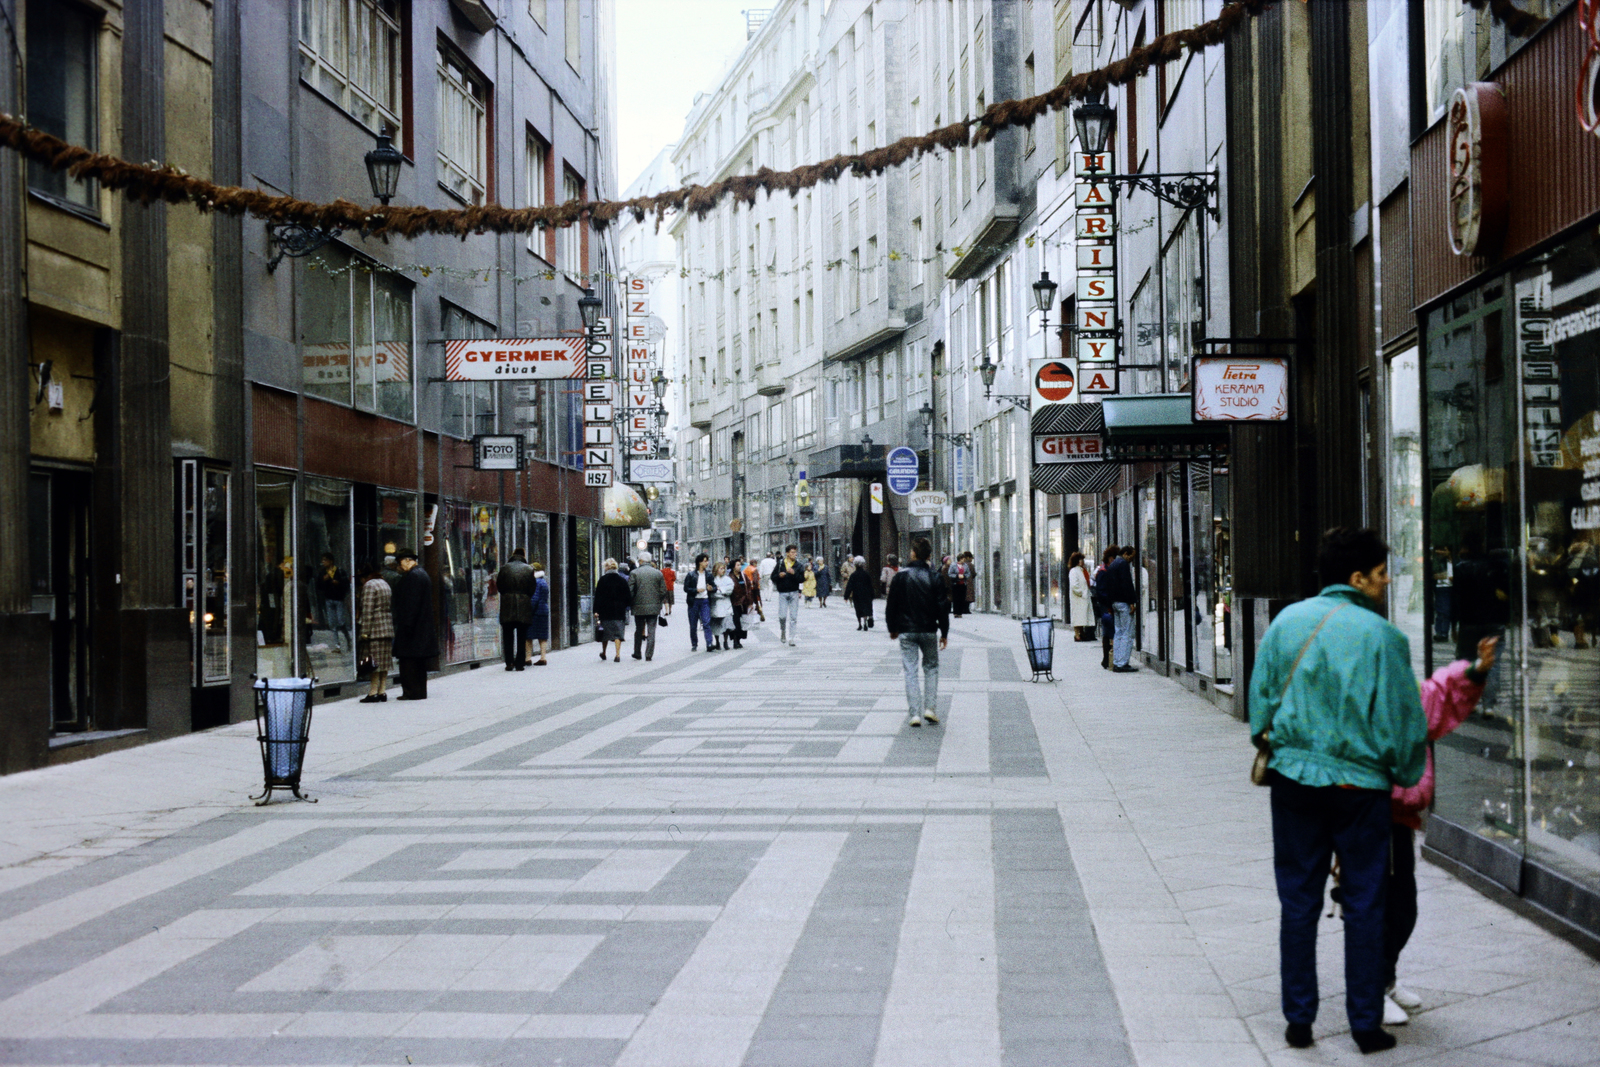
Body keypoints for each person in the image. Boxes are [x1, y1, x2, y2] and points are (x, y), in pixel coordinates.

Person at [1249, 527, 1428, 1055]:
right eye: (1379, 573)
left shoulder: (1287, 623)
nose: (1385, 581)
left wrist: (1280, 745)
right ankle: (1365, 1026)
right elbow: (1403, 725)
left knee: (1298, 899)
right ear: (1357, 578)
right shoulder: (1383, 637)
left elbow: (1260, 704)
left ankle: (1299, 1020)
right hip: (1360, 787)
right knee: (1366, 901)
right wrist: (1403, 772)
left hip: (1294, 783)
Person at [1384, 633, 1497, 1024]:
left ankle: (1383, 980)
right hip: (1369, 812)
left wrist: (1476, 669)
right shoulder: (1362, 696)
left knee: (1402, 905)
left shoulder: (1405, 692)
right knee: (1380, 905)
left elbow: (1438, 695)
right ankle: (1371, 986)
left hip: (1398, 816)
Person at [887, 537, 950, 728]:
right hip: (929, 629)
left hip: (906, 631)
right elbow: (942, 607)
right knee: (931, 667)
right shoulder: (935, 577)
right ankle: (930, 708)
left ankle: (914, 713)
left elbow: (892, 605)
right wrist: (944, 632)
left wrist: (893, 628)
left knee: (910, 670)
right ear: (929, 555)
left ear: (913, 554)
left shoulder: (901, 576)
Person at [390, 548, 438, 700]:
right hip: (420, 627)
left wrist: (406, 625)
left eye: (400, 563)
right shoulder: (421, 574)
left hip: (413, 628)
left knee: (409, 663)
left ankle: (411, 692)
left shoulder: (413, 576)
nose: (399, 567)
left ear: (407, 560)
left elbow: (411, 604)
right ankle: (419, 691)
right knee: (418, 664)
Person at [356, 560, 392, 702]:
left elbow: (368, 610)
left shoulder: (369, 586)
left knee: (373, 663)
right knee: (384, 663)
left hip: (374, 629)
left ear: (364, 577)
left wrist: (364, 631)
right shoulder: (384, 583)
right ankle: (382, 691)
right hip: (386, 628)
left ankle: (372, 692)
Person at [495, 548, 536, 671]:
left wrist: (508, 595)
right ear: (523, 555)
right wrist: (524, 596)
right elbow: (532, 589)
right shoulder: (529, 569)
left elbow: (499, 586)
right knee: (522, 635)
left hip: (507, 605)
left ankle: (509, 662)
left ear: (513, 555)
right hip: (523, 605)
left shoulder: (504, 568)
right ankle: (519, 663)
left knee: (507, 635)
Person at [629, 550, 670, 660]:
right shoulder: (658, 573)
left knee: (639, 630)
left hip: (638, 607)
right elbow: (663, 591)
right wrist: (658, 601)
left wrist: (632, 602)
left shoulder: (634, 573)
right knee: (651, 631)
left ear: (641, 561)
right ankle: (649, 654)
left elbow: (630, 591)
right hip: (654, 607)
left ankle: (637, 652)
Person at [1103, 545, 1138, 672]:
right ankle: (1123, 663)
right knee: (1127, 633)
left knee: (1118, 632)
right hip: (1123, 603)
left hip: (1114, 603)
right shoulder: (1123, 564)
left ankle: (1117, 662)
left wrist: (1110, 604)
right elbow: (1126, 584)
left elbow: (1108, 586)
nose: (1131, 560)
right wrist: (1132, 602)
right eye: (1131, 557)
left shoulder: (1113, 565)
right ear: (1126, 554)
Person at [594, 558, 631, 663]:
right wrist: (625, 606)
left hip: (605, 610)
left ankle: (604, 652)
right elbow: (628, 596)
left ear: (607, 567)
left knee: (604, 632)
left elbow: (598, 596)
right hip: (618, 611)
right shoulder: (622, 580)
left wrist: (596, 610)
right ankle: (617, 654)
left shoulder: (602, 580)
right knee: (618, 633)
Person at [771, 544, 805, 646]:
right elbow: (773, 577)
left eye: (795, 552)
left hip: (794, 592)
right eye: (792, 552)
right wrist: (779, 576)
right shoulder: (781, 563)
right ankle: (783, 631)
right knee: (782, 616)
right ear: (787, 553)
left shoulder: (798, 565)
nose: (794, 554)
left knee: (793, 617)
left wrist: (794, 573)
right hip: (783, 593)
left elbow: (802, 579)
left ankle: (791, 638)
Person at [316, 552, 350, 651]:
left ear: (331, 561)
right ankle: (337, 645)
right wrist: (323, 580)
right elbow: (318, 586)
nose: (323, 562)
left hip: (338, 599)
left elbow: (346, 585)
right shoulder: (323, 573)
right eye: (322, 560)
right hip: (328, 599)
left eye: (325, 560)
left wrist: (338, 583)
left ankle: (348, 639)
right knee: (332, 623)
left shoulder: (339, 571)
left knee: (341, 621)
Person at [1092, 547, 1118, 668]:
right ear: (1110, 558)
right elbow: (1101, 591)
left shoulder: (1107, 570)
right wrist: (1109, 604)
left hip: (1107, 605)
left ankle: (1108, 659)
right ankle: (1107, 659)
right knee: (1108, 632)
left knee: (1109, 632)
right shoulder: (1103, 571)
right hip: (1106, 607)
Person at [684, 553, 713, 650]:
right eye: (705, 561)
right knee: (693, 624)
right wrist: (696, 590)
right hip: (694, 601)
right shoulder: (691, 575)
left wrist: (711, 588)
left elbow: (714, 587)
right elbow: (686, 588)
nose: (707, 563)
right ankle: (694, 644)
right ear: (699, 562)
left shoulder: (708, 575)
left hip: (705, 600)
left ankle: (709, 643)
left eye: (707, 561)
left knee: (706, 622)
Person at [1067, 550, 1095, 640]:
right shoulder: (1073, 571)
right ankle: (1077, 634)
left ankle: (1082, 632)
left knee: (1083, 616)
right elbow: (1074, 585)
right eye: (1080, 560)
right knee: (1077, 616)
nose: (1082, 561)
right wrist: (1081, 593)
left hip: (1084, 597)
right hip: (1078, 598)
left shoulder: (1083, 570)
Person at [528, 561, 552, 665]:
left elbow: (534, 598)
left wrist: (529, 610)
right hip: (544, 611)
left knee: (528, 636)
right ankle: (543, 657)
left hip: (536, 612)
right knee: (542, 636)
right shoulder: (543, 581)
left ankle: (528, 658)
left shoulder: (535, 582)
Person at [709, 561, 735, 650]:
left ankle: (725, 641)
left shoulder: (728, 579)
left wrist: (720, 590)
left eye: (724, 568)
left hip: (726, 605)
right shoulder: (712, 580)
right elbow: (712, 593)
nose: (723, 570)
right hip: (716, 605)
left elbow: (730, 590)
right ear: (716, 570)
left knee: (726, 624)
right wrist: (720, 592)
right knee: (716, 624)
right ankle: (717, 642)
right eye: (721, 568)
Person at [846, 555, 875, 629]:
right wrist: (872, 594)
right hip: (866, 594)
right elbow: (870, 585)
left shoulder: (853, 575)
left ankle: (859, 624)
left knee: (858, 609)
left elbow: (849, 586)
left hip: (857, 594)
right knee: (865, 608)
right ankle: (865, 622)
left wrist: (846, 596)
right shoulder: (866, 574)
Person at [950, 552, 974, 617]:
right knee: (956, 598)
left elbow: (968, 573)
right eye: (963, 559)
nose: (964, 560)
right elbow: (950, 574)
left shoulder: (965, 566)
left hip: (963, 583)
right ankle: (956, 612)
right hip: (956, 584)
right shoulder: (953, 565)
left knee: (962, 598)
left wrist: (964, 576)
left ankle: (960, 613)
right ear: (960, 559)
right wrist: (957, 576)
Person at [742, 556, 765, 622]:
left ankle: (749, 613)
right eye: (756, 563)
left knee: (749, 601)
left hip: (747, 588)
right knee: (757, 601)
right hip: (754, 588)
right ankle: (758, 612)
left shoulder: (745, 569)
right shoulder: (754, 569)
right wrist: (756, 587)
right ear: (754, 563)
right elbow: (755, 580)